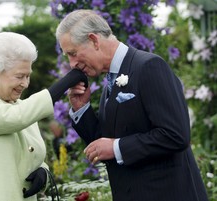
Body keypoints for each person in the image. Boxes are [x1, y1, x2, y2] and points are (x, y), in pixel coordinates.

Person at [55, 9, 208, 201]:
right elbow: (103, 144)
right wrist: (81, 108)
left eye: (73, 53)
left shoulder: (149, 66)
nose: (72, 64)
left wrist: (116, 148)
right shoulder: (110, 80)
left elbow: (176, 135)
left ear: (94, 40)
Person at [0, 32, 87, 201]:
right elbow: (13, 118)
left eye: (28, 75)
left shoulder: (24, 108)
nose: (25, 83)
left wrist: (43, 172)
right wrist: (64, 84)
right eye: (19, 76)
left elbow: (30, 155)